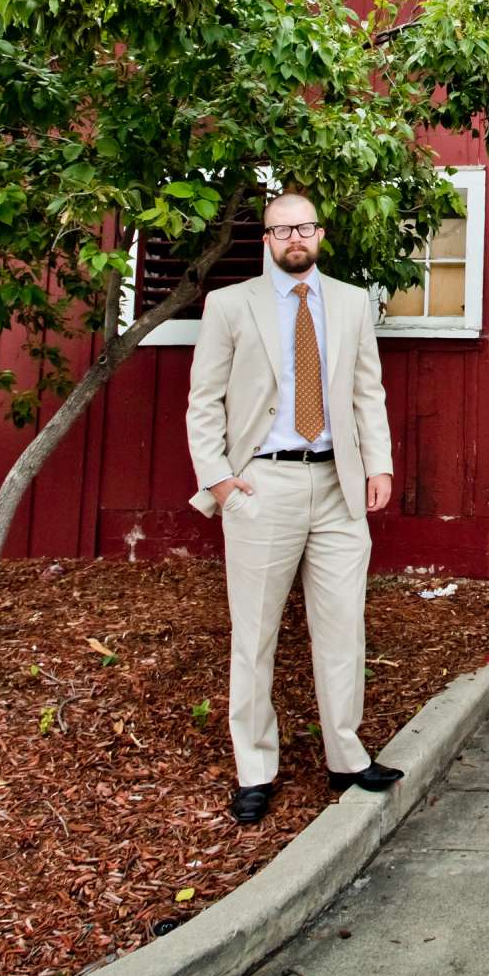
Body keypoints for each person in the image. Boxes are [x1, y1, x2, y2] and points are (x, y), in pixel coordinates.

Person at [186, 190, 401, 825]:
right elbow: (205, 402)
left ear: (321, 233)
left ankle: (346, 755)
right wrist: (221, 481)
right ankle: (256, 769)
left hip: (338, 484)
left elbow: (368, 389)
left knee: (342, 628)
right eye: (281, 230)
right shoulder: (229, 305)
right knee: (253, 636)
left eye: (304, 227)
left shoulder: (350, 301)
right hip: (263, 487)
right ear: (267, 240)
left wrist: (379, 462)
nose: (294, 238)